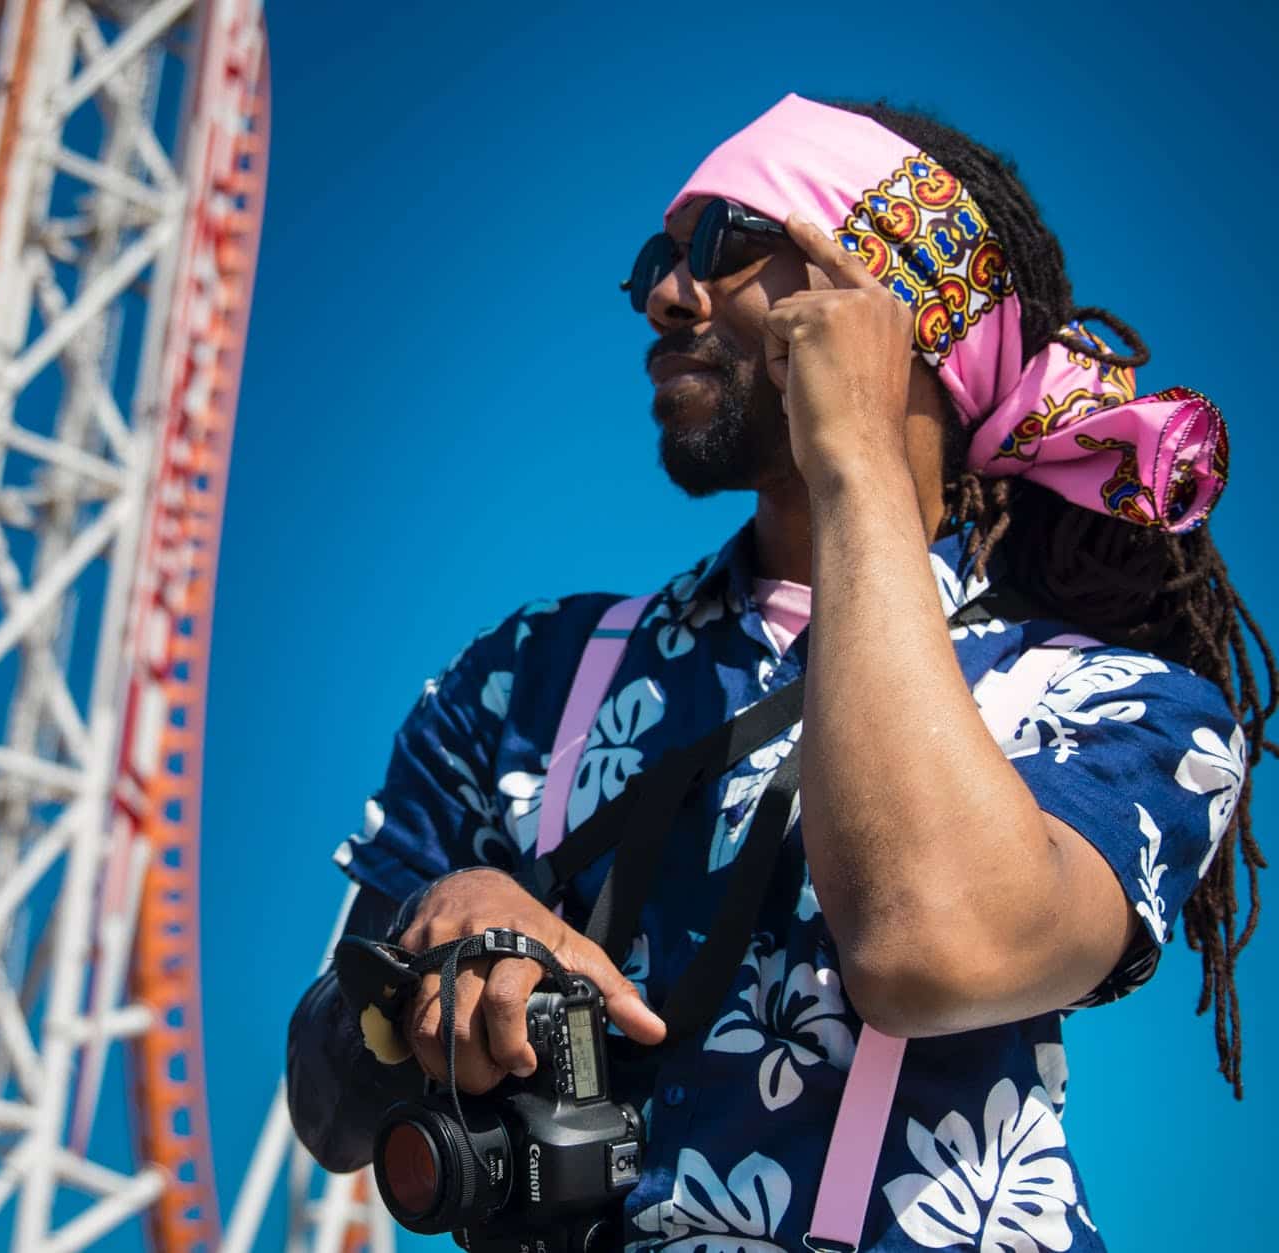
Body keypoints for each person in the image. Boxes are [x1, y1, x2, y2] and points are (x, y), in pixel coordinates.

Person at [284, 94, 1273, 1251]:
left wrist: (856, 463)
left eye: (721, 244)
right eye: (657, 259)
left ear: (889, 310)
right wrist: (438, 932)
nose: (663, 294)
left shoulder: (1127, 704)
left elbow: (935, 945)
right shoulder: (521, 679)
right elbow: (327, 1106)